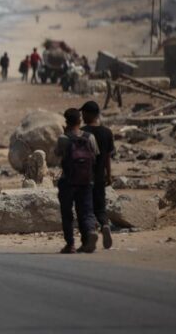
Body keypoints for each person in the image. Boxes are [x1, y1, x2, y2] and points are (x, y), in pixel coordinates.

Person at [54, 108, 100, 254]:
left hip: (67, 180)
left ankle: (70, 244)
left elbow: (56, 155)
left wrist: (65, 133)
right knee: (86, 211)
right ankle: (88, 235)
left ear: (66, 122)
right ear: (80, 121)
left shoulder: (63, 139)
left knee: (67, 213)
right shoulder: (90, 137)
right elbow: (95, 156)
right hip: (86, 180)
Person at [79, 100, 115, 249]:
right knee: (100, 206)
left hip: (84, 177)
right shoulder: (107, 132)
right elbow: (107, 156)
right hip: (100, 175)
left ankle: (91, 232)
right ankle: (105, 225)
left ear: (88, 114)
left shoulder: (82, 133)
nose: (81, 116)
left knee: (86, 207)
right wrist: (108, 175)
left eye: (83, 113)